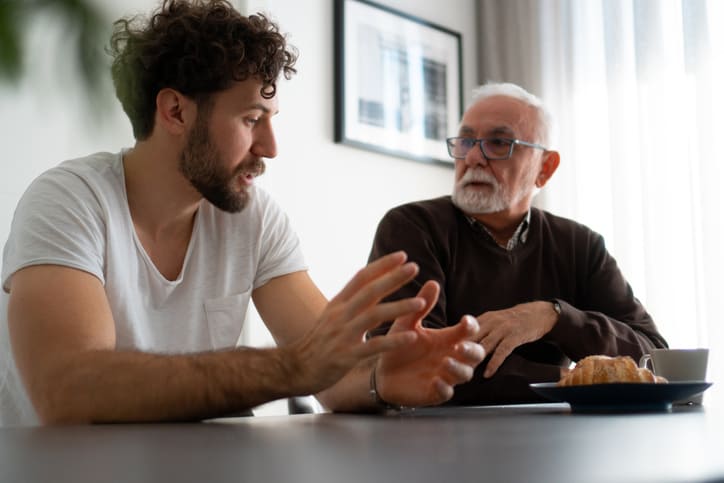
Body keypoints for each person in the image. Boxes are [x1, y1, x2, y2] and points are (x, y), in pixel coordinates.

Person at [0, 0, 486, 426]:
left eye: (270, 121)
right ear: (174, 112)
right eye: (251, 119)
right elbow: (69, 391)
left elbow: (330, 374)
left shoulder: (252, 216)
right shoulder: (67, 201)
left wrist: (381, 377)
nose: (270, 148)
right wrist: (290, 368)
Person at [368, 82, 668, 405]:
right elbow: (413, 365)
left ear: (545, 168)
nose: (472, 157)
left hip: (555, 444)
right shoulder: (411, 228)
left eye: (498, 143)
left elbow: (654, 358)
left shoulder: (581, 246)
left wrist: (554, 317)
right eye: (466, 140)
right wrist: (566, 381)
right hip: (431, 444)